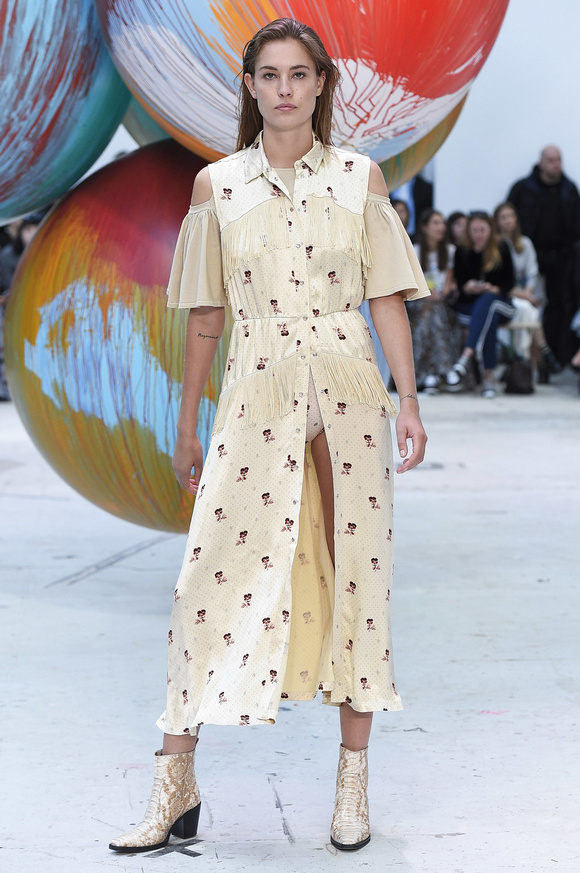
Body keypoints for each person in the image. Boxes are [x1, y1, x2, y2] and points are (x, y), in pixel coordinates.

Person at [109, 17, 429, 855]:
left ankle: (352, 787)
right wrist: (188, 420)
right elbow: (205, 317)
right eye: (270, 75)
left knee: (358, 574)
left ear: (321, 84)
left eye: (299, 74)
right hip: (255, 391)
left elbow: (386, 297)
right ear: (250, 87)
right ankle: (174, 785)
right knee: (204, 580)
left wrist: (409, 400)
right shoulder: (216, 187)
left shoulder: (361, 177)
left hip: (348, 386)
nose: (285, 89)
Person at [508, 146, 580, 367]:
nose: (555, 164)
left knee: (559, 305)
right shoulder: (523, 188)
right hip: (530, 253)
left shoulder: (569, 189)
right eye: (550, 160)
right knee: (530, 302)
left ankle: (556, 356)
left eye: (558, 159)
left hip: (562, 257)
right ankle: (530, 358)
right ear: (541, 162)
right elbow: (509, 219)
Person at [446, 211, 515, 398]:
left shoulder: (501, 247)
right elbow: (461, 284)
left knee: (488, 301)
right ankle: (488, 377)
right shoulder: (462, 250)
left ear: (490, 229)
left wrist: (493, 288)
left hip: (501, 304)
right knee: (489, 317)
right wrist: (469, 288)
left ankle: (467, 355)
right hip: (471, 307)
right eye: (474, 230)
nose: (478, 234)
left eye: (482, 230)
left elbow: (509, 284)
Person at [493, 202, 561, 378]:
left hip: (526, 292)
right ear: (497, 221)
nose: (508, 220)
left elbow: (532, 272)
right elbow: (500, 281)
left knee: (529, 311)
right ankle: (543, 355)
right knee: (529, 312)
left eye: (511, 216)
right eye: (503, 217)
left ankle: (531, 361)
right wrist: (524, 296)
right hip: (506, 293)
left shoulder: (525, 243)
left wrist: (528, 293)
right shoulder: (495, 245)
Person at [407, 209, 463, 393]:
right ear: (424, 227)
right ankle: (444, 369)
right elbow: (413, 283)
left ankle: (428, 374)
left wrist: (440, 293)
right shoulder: (415, 250)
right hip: (419, 301)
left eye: (443, 223)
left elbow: (449, 282)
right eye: (436, 223)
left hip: (442, 301)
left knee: (432, 311)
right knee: (429, 309)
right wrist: (428, 294)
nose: (441, 227)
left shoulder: (450, 251)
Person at [0, 216, 41, 401]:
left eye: (34, 229)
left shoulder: (43, 252)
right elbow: (9, 285)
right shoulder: (9, 256)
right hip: (13, 304)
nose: (31, 234)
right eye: (28, 230)